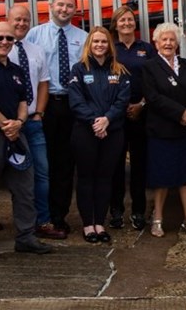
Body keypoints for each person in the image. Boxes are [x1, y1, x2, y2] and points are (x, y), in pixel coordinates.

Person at [0, 5, 64, 240]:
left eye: (25, 20)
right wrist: (8, 124)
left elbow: (34, 91)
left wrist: (31, 117)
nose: (5, 41)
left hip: (25, 126)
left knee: (31, 179)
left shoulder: (26, 58)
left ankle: (33, 229)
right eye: (1, 37)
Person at [24, 0, 88, 233]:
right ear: (51, 6)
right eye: (60, 4)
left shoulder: (82, 37)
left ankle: (58, 216)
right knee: (42, 163)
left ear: (75, 10)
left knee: (65, 164)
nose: (64, 9)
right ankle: (40, 214)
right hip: (45, 104)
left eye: (69, 6)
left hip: (72, 104)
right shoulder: (35, 35)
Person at [141, 22, 186, 239]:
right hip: (161, 130)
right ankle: (157, 218)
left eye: (172, 39)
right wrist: (181, 113)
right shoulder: (149, 67)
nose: (168, 43)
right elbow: (153, 97)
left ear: (178, 43)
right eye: (164, 39)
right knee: (162, 177)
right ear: (156, 42)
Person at [68, 26, 131, 243]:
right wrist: (95, 121)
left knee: (105, 178)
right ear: (89, 45)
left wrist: (107, 120)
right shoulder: (78, 70)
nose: (99, 45)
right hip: (86, 132)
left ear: (109, 45)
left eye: (103, 42)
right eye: (95, 42)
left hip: (112, 132)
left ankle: (99, 223)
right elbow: (76, 101)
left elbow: (122, 101)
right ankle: (87, 224)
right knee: (86, 178)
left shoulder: (120, 70)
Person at [109, 6, 156, 231]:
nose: (126, 23)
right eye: (122, 20)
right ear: (115, 25)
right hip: (116, 115)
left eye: (130, 20)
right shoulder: (110, 49)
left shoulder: (146, 49)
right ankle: (116, 211)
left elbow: (156, 80)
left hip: (142, 113)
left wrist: (141, 105)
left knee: (140, 166)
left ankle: (138, 212)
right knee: (115, 164)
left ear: (135, 24)